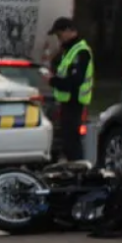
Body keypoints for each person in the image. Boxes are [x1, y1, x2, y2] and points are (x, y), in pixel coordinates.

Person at [47, 17, 94, 162]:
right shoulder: (69, 51)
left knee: (72, 143)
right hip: (67, 103)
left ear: (68, 31)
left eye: (59, 35)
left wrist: (52, 80)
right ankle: (74, 172)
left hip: (74, 103)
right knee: (68, 143)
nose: (58, 39)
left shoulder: (80, 52)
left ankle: (79, 173)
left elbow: (74, 81)